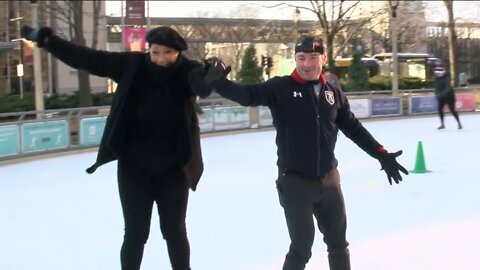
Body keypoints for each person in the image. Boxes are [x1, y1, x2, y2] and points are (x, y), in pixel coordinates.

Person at [199, 35, 409, 270]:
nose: (307, 64)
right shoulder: (280, 88)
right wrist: (219, 83)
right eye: (301, 58)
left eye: (313, 57)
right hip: (295, 181)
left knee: (338, 243)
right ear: (295, 59)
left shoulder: (334, 93)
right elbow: (247, 95)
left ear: (323, 58)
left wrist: (381, 153)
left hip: (329, 180)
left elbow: (353, 128)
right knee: (301, 247)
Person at [21, 25, 210, 270]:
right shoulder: (132, 66)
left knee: (174, 231)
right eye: (155, 52)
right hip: (135, 168)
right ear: (148, 50)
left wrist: (212, 74)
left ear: (178, 53)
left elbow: (203, 86)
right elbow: (87, 59)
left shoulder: (188, 71)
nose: (161, 58)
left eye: (168, 52)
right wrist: (49, 41)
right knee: (135, 233)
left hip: (173, 169)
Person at [434, 65, 462, 130]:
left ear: (442, 72)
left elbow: (448, 88)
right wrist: (436, 94)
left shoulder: (446, 78)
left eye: (438, 73)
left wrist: (440, 94)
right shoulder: (437, 79)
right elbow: (437, 88)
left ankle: (459, 123)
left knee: (452, 110)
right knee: (440, 110)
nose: (437, 74)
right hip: (441, 97)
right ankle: (442, 124)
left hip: (450, 96)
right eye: (436, 73)